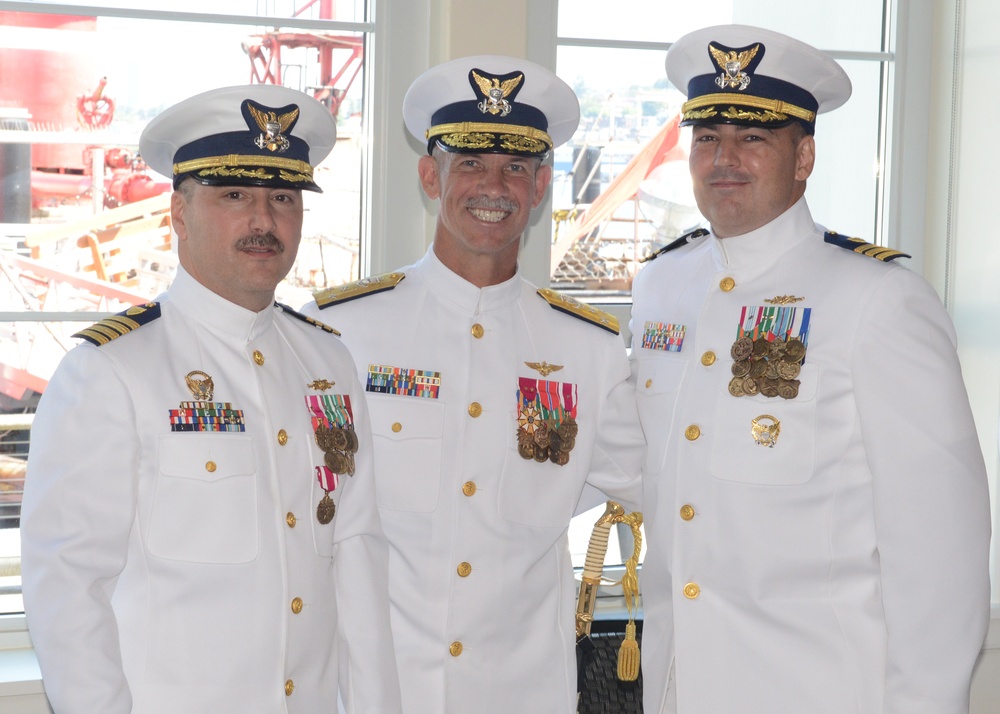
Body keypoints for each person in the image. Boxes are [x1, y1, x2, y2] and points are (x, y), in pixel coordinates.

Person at [631, 24, 992, 714]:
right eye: (707, 138)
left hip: (820, 690)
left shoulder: (879, 300)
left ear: (804, 158)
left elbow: (939, 549)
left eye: (754, 138)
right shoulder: (662, 287)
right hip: (682, 686)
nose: (724, 158)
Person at [20, 84, 401, 714]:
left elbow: (358, 558)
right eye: (234, 196)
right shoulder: (113, 370)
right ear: (177, 212)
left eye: (283, 197)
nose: (264, 220)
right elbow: (67, 587)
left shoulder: (327, 364)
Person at [301, 55, 645, 713]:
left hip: (520, 691)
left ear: (542, 185)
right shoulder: (340, 331)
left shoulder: (588, 349)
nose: (496, 185)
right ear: (431, 175)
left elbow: (656, 482)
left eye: (516, 167)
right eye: (471, 164)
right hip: (376, 686)